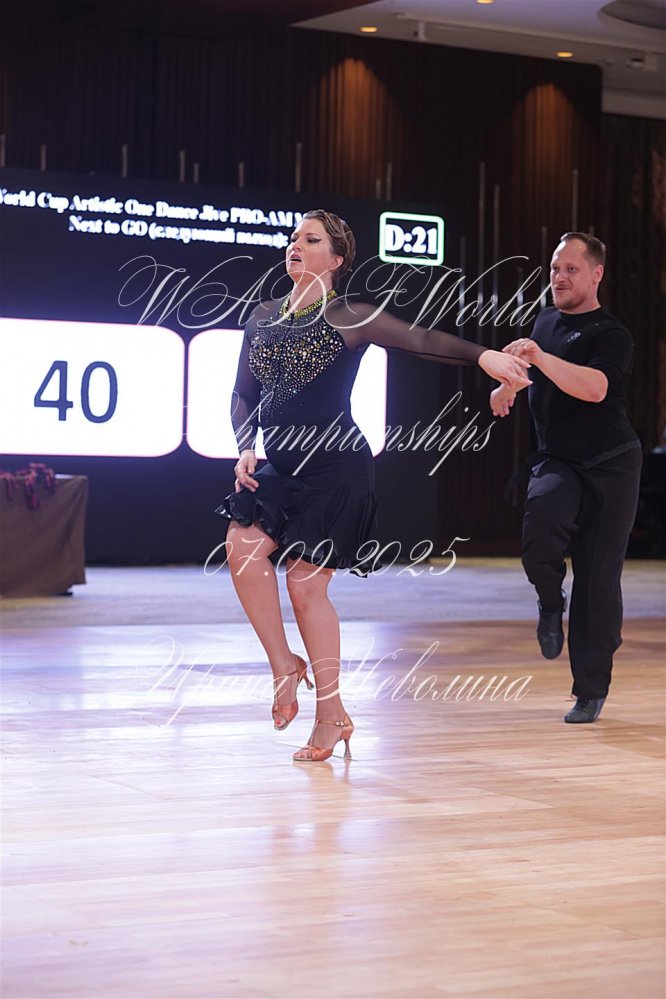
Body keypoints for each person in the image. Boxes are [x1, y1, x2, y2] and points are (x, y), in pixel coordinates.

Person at [217, 209, 530, 761]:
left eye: (310, 239)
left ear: (336, 259)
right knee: (241, 545)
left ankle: (329, 715)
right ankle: (284, 666)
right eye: (293, 237)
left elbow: (421, 339)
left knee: (305, 586)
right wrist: (246, 445)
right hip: (282, 467)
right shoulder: (262, 316)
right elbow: (243, 393)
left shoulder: (349, 316)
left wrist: (484, 355)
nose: (295, 245)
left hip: (337, 466)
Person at [490, 232, 641, 723]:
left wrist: (539, 358)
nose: (558, 277)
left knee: (598, 578)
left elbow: (594, 388)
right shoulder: (545, 322)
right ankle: (550, 603)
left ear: (596, 274)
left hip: (612, 463)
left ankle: (590, 690)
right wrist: (506, 388)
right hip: (558, 459)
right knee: (540, 533)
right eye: (555, 268)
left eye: (571, 269)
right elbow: (527, 376)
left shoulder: (612, 334)